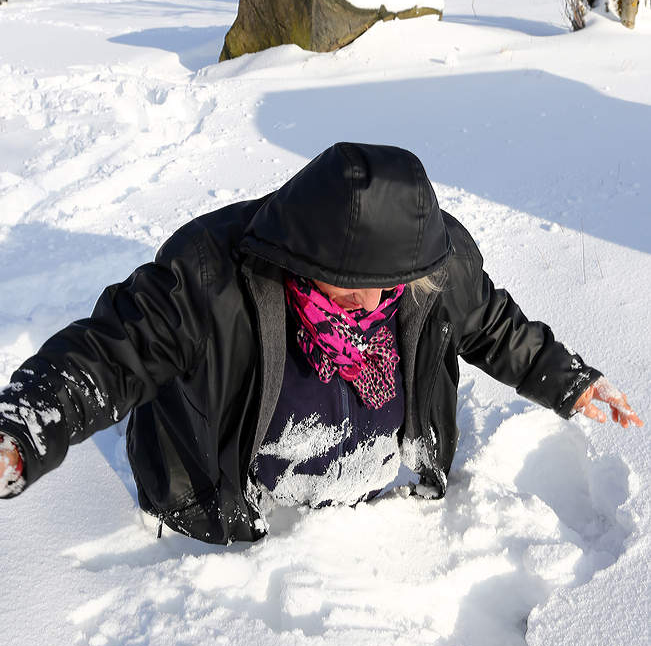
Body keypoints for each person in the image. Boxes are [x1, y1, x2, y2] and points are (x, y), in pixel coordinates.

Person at [0, 143, 642, 543]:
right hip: (225, 508)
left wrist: (572, 382)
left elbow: (494, 326)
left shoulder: (433, 266)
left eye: (384, 287)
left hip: (374, 521)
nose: (367, 304)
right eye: (346, 287)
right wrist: (23, 429)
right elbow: (113, 352)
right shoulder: (207, 275)